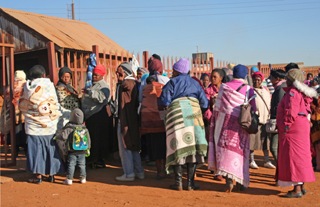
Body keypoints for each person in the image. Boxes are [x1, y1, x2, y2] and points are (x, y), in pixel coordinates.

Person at [159, 58, 208, 191]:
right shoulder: (195, 83)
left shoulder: (172, 83)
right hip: (194, 114)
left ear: (176, 71)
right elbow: (204, 103)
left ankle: (178, 182)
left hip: (177, 115)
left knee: (178, 145)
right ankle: (191, 184)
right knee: (192, 147)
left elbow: (164, 101)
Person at [208, 64, 256, 192]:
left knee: (226, 152)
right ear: (245, 75)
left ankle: (229, 181)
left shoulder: (224, 87)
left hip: (226, 125)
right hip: (242, 126)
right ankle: (241, 183)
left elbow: (217, 108)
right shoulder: (248, 89)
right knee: (241, 153)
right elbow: (253, 108)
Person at [19, 65, 63, 184]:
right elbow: (54, 102)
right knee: (50, 148)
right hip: (49, 124)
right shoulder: (49, 85)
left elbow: (23, 103)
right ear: (44, 75)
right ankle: (52, 174)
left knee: (35, 150)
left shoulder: (27, 88)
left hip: (33, 126)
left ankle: (37, 176)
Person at [277, 69, 317, 198]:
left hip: (293, 129)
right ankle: (302, 186)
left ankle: (297, 189)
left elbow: (290, 112)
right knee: (302, 156)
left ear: (292, 80)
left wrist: (285, 126)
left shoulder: (292, 93)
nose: (286, 80)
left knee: (294, 157)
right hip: (301, 127)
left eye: (288, 78)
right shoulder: (302, 93)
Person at [114, 62, 144, 182]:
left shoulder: (127, 83)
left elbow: (125, 84)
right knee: (134, 146)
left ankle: (129, 173)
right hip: (133, 119)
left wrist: (122, 79)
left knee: (125, 146)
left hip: (125, 119)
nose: (117, 73)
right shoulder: (136, 83)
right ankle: (139, 171)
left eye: (119, 71)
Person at [81, 64, 113, 168]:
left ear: (102, 75)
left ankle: (98, 160)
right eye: (93, 74)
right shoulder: (93, 85)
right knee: (93, 138)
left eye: (96, 75)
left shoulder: (103, 86)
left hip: (98, 115)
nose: (94, 76)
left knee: (97, 139)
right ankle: (93, 159)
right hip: (91, 115)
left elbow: (102, 98)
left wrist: (89, 92)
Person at [140, 73, 167, 179]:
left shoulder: (144, 89)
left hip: (149, 122)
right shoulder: (161, 87)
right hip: (161, 122)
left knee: (155, 148)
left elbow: (140, 101)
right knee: (163, 147)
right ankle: (164, 170)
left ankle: (159, 171)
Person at [55, 108, 91, 185]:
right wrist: (88, 147)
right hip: (82, 150)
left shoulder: (69, 127)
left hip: (72, 150)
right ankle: (83, 178)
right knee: (82, 164)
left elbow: (63, 137)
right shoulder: (84, 128)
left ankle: (69, 179)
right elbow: (88, 139)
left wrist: (57, 136)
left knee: (71, 164)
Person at [249, 72, 275, 169]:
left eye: (258, 80)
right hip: (255, 120)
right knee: (253, 141)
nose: (256, 81)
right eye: (255, 79)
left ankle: (267, 160)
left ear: (262, 81)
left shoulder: (266, 91)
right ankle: (251, 160)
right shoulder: (250, 91)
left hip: (266, 120)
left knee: (266, 142)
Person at [269, 69, 287, 163]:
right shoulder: (282, 87)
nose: (270, 79)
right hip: (280, 121)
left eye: (271, 77)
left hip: (278, 121)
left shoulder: (280, 89)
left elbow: (279, 107)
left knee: (273, 147)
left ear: (277, 78)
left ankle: (282, 169)